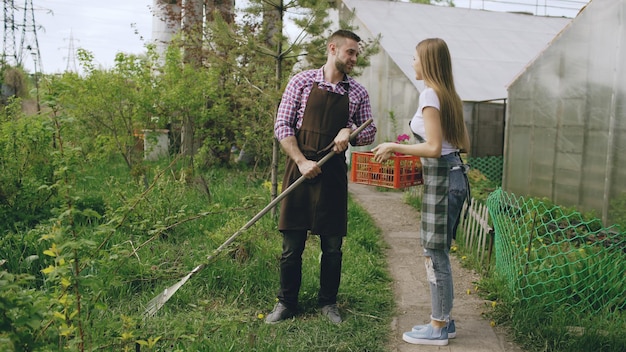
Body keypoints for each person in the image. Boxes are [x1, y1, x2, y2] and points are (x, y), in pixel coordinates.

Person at [266, 29, 377, 324]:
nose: (354, 58)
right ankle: (286, 302)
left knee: (332, 246)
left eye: (356, 53)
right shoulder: (301, 82)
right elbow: (282, 126)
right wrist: (301, 161)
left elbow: (370, 132)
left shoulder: (357, 93)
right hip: (299, 170)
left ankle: (328, 303)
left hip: (332, 174)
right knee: (292, 246)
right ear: (333, 49)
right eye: (350, 52)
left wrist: (349, 131)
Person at [372, 38, 470, 346]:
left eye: (415, 58)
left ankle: (438, 326)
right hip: (453, 178)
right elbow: (458, 145)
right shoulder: (447, 94)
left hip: (444, 182)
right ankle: (445, 320)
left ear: (426, 62)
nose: (412, 63)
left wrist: (394, 146)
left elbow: (433, 147)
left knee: (434, 253)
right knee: (437, 251)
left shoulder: (430, 95)